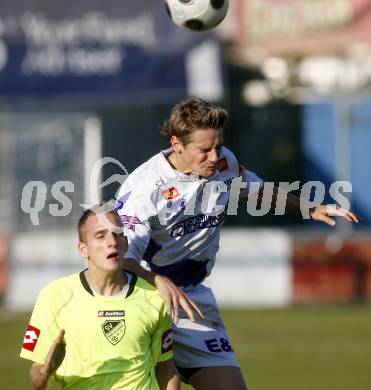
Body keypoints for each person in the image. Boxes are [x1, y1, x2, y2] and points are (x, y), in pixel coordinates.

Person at [116, 97, 360, 389]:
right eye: (204, 149)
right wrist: (157, 281)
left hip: (192, 299)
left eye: (217, 145)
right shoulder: (143, 189)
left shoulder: (223, 162)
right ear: (176, 143)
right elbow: (123, 260)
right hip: (143, 298)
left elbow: (253, 190)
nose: (213, 156)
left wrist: (309, 208)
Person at [20, 202, 180, 390]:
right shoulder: (55, 295)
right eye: (100, 236)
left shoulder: (154, 298)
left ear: (126, 243)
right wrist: (45, 373)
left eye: (117, 234)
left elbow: (166, 369)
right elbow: (36, 379)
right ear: (83, 249)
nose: (112, 242)